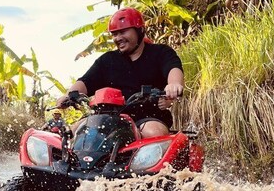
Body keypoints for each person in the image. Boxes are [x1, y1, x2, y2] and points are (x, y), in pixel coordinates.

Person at [57, 8, 184, 138]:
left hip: (147, 118)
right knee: (70, 134)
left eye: (123, 32)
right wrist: (67, 96)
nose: (118, 38)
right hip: (107, 117)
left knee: (154, 132)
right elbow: (85, 82)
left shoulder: (161, 52)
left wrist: (174, 84)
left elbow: (173, 68)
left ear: (140, 30)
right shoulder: (107, 60)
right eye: (114, 34)